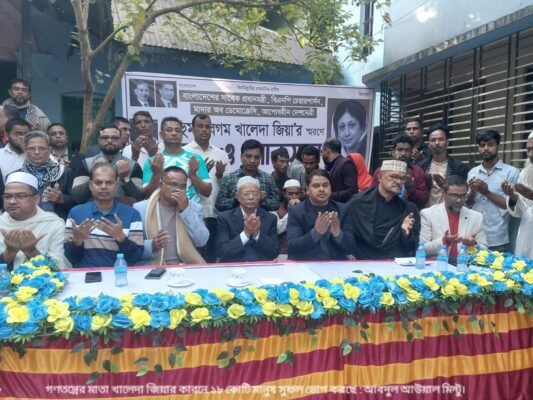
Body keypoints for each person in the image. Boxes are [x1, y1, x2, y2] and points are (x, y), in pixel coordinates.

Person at [65, 163, 144, 268]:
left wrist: (121, 238)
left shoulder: (132, 214)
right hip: (86, 275)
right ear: (90, 185)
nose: (103, 187)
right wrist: (77, 241)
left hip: (120, 274)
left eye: (109, 183)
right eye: (98, 182)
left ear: (116, 185)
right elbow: (70, 258)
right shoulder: (76, 213)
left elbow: (135, 258)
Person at [134, 166, 208, 265]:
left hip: (185, 266)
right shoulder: (140, 209)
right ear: (161, 185)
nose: (178, 190)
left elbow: (202, 241)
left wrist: (186, 210)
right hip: (152, 267)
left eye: (183, 186)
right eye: (173, 185)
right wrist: (152, 245)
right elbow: (132, 247)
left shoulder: (194, 208)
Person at [347, 160, 420, 259]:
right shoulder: (357, 203)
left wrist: (405, 234)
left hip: (395, 263)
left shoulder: (408, 209)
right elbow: (346, 235)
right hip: (363, 261)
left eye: (402, 178)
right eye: (393, 176)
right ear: (380, 177)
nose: (398, 182)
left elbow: (412, 247)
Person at [183, 114, 229, 263]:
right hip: (194, 213)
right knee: (194, 257)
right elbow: (183, 184)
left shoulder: (221, 154)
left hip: (216, 214)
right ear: (192, 129)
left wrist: (220, 175)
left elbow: (227, 186)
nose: (204, 130)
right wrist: (197, 175)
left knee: (213, 257)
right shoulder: (184, 153)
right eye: (200, 126)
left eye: (207, 127)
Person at [466, 129, 519, 252]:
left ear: (498, 146)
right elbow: (467, 204)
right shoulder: (473, 172)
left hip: (497, 237)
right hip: (473, 235)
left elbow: (513, 206)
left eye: (490, 144)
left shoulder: (511, 172)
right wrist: (473, 192)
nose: (485, 148)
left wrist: (486, 192)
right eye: (482, 145)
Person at [0, 172, 67, 269]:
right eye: (7, 196)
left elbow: (59, 267)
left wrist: (31, 251)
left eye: (21, 196)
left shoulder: (54, 224)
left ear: (36, 199)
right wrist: (9, 252)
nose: (12, 201)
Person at [287, 170, 355, 260]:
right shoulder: (297, 211)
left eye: (325, 185)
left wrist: (338, 234)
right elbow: (292, 247)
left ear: (331, 188)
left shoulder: (342, 210)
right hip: (306, 264)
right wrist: (316, 233)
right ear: (307, 190)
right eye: (316, 186)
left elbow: (350, 247)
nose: (322, 189)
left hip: (335, 264)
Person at [71, 124, 144, 205]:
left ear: (121, 141)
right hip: (91, 211)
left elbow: (140, 197)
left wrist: (125, 179)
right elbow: (77, 197)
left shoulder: (133, 166)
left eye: (114, 138)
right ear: (99, 141)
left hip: (124, 211)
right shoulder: (86, 164)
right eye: (105, 138)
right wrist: (93, 174)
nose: (109, 141)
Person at [142, 117, 212, 201]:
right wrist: (156, 174)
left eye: (178, 130)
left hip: (190, 208)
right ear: (161, 135)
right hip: (162, 208)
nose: (174, 133)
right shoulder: (153, 161)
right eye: (169, 130)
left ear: (182, 134)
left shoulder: (196, 159)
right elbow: (146, 195)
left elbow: (207, 192)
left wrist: (193, 175)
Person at [420, 175, 487, 257]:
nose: (458, 200)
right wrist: (445, 241)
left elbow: (484, 250)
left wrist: (473, 244)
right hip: (437, 263)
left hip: (464, 263)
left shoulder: (476, 217)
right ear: (444, 194)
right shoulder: (428, 214)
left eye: (463, 196)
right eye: (454, 196)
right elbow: (422, 249)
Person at [216, 176, 279, 262]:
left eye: (255, 194)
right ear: (237, 196)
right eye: (246, 194)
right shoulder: (225, 218)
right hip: (234, 267)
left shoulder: (270, 218)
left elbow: (275, 252)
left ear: (260, 196)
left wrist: (257, 234)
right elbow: (222, 252)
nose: (251, 197)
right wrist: (245, 234)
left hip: (262, 267)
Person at [19, 131, 74, 220]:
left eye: (42, 148)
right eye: (31, 148)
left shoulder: (65, 172)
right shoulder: (17, 175)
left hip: (57, 221)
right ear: (25, 150)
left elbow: (77, 202)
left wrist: (62, 199)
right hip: (24, 222)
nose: (37, 152)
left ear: (49, 150)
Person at [216, 139, 279, 212]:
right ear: (241, 157)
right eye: (248, 156)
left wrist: (263, 200)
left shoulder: (268, 178)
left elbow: (276, 204)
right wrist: (236, 199)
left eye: (256, 157)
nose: (252, 160)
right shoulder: (229, 179)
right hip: (235, 218)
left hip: (261, 218)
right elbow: (219, 205)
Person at [418, 123, 468, 207]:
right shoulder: (421, 166)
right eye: (433, 140)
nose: (437, 143)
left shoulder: (458, 167)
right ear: (428, 144)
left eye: (441, 139)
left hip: (449, 210)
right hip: (425, 211)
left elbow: (463, 193)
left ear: (447, 142)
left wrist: (445, 186)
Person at [372, 134, 429, 209]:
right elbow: (372, 195)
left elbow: (424, 200)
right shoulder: (381, 170)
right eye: (400, 150)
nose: (403, 154)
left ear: (411, 152)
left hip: (409, 213)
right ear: (393, 152)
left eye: (407, 150)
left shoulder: (418, 171)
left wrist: (411, 189)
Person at [502, 131, 533, 258]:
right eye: (528, 149)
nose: (530, 154)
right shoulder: (526, 173)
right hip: (527, 234)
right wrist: (513, 197)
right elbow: (523, 211)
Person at [322, 138, 358, 203]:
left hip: (344, 206)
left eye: (322, 152)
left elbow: (352, 191)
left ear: (327, 151)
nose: (321, 155)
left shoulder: (346, 164)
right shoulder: (332, 165)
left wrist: (329, 195)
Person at [272, 179, 302, 257]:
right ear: (284, 194)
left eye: (297, 193)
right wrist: (291, 212)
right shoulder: (276, 210)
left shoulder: (306, 208)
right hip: (282, 253)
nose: (294, 197)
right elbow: (278, 229)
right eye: (290, 194)